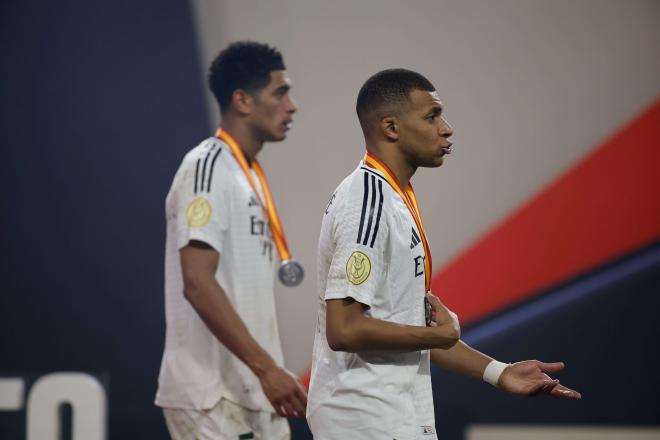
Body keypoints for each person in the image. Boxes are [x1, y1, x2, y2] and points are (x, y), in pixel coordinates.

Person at [307, 68, 581, 440]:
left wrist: (499, 372)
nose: (447, 128)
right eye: (432, 116)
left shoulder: (393, 198)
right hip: (366, 420)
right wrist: (436, 336)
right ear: (391, 127)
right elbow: (344, 328)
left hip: (390, 417)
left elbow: (402, 330)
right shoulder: (368, 201)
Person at [155, 41, 307, 440]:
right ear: (242, 100)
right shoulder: (206, 167)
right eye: (280, 92)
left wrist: (268, 371)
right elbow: (198, 283)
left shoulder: (249, 174)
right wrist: (266, 368)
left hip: (256, 392)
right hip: (213, 397)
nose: (292, 106)